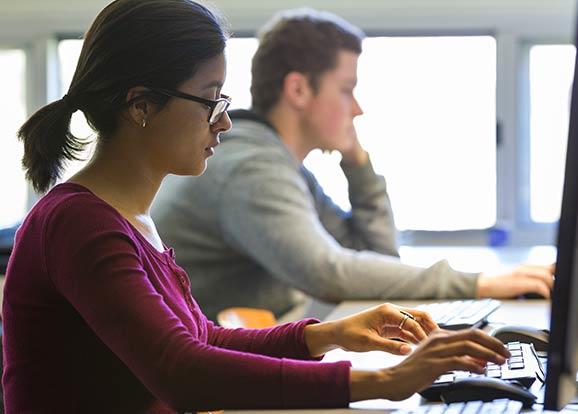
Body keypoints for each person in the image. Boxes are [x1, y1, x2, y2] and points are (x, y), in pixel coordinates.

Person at [3, 1, 512, 413]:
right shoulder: (79, 224)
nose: (223, 123)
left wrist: (331, 336)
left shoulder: (126, 219)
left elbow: (201, 338)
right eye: (210, 100)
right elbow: (183, 372)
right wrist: (385, 381)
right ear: (141, 106)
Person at [152, 8, 555, 321]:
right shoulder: (248, 166)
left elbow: (375, 255)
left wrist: (357, 163)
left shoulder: (278, 163)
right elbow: (329, 273)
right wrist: (478, 284)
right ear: (298, 89)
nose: (357, 109)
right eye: (347, 90)